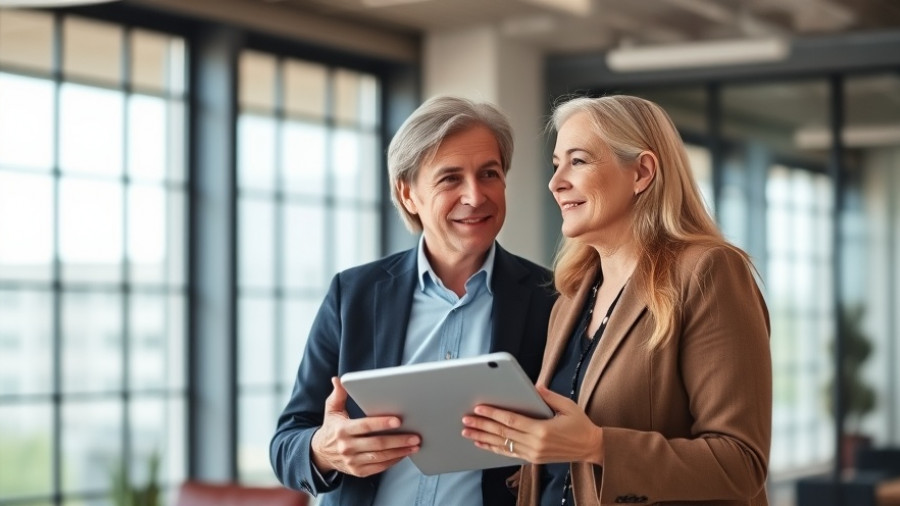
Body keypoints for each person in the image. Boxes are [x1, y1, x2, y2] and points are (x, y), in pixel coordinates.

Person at [461, 95, 772, 506]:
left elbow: (741, 463)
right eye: (556, 165)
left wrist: (597, 445)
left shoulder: (708, 271)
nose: (556, 183)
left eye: (579, 161)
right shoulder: (571, 296)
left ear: (641, 172)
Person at [270, 95, 557, 506]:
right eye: (450, 178)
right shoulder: (353, 295)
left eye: (489, 173)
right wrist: (323, 448)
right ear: (408, 194)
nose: (475, 196)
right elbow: (286, 443)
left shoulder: (550, 299)